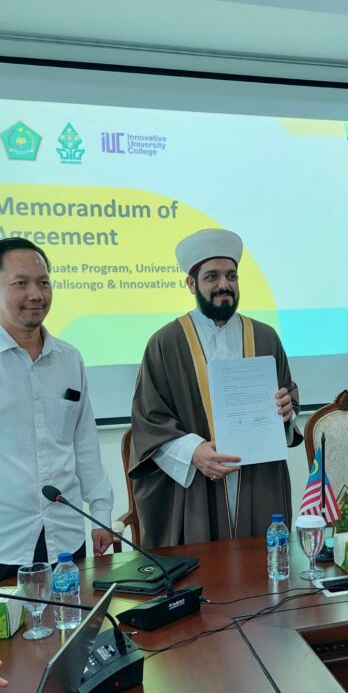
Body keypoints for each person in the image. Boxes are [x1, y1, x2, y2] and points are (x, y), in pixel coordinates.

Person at [130, 228, 302, 546]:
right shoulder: (166, 343)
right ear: (191, 284)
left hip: (258, 480)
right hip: (196, 487)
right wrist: (194, 452)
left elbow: (287, 396)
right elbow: (149, 420)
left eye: (231, 276)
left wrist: (286, 411)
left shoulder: (265, 337)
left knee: (261, 567)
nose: (224, 285)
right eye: (212, 277)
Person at [0, 238, 113, 578]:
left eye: (44, 282)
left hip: (65, 534)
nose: (36, 294)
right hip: (6, 538)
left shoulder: (69, 359)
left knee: (73, 613)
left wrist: (101, 513)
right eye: (21, 283)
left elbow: (84, 442)